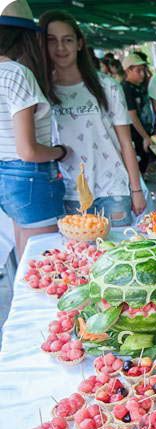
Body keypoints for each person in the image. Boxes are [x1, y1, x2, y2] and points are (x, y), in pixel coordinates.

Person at [40, 10, 145, 226]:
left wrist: (136, 190)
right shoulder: (40, 91)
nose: (60, 48)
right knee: (79, 258)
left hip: (114, 191)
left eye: (67, 40)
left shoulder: (108, 87)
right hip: (67, 194)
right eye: (52, 41)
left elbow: (126, 143)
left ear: (79, 44)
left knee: (117, 256)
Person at [0, 0, 69, 254]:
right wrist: (59, 151)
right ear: (24, 36)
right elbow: (28, 150)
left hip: (6, 178)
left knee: (26, 258)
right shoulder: (16, 73)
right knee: (45, 263)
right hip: (30, 176)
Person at [121, 53, 155, 173]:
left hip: (145, 131)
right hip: (136, 134)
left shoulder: (140, 86)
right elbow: (132, 115)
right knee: (139, 166)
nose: (142, 74)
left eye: (143, 70)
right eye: (138, 70)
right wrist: (145, 136)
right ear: (128, 70)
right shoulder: (126, 89)